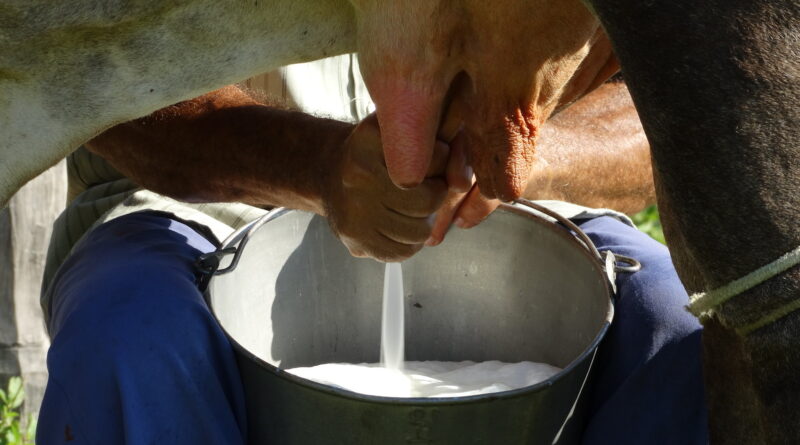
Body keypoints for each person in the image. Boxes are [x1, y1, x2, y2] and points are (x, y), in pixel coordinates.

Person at [37, 56, 706, 444]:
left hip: (526, 201)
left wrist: (526, 151)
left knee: (683, 335)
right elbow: (88, 72)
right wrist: (318, 166)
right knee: (127, 338)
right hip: (194, 205)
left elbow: (686, 95)